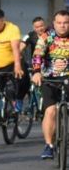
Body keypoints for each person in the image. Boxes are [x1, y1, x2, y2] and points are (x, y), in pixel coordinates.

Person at [31, 10, 69, 159]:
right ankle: (49, 145)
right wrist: (36, 72)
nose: (62, 26)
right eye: (59, 23)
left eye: (66, 23)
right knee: (51, 111)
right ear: (54, 24)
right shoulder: (46, 37)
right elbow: (37, 55)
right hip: (50, 79)